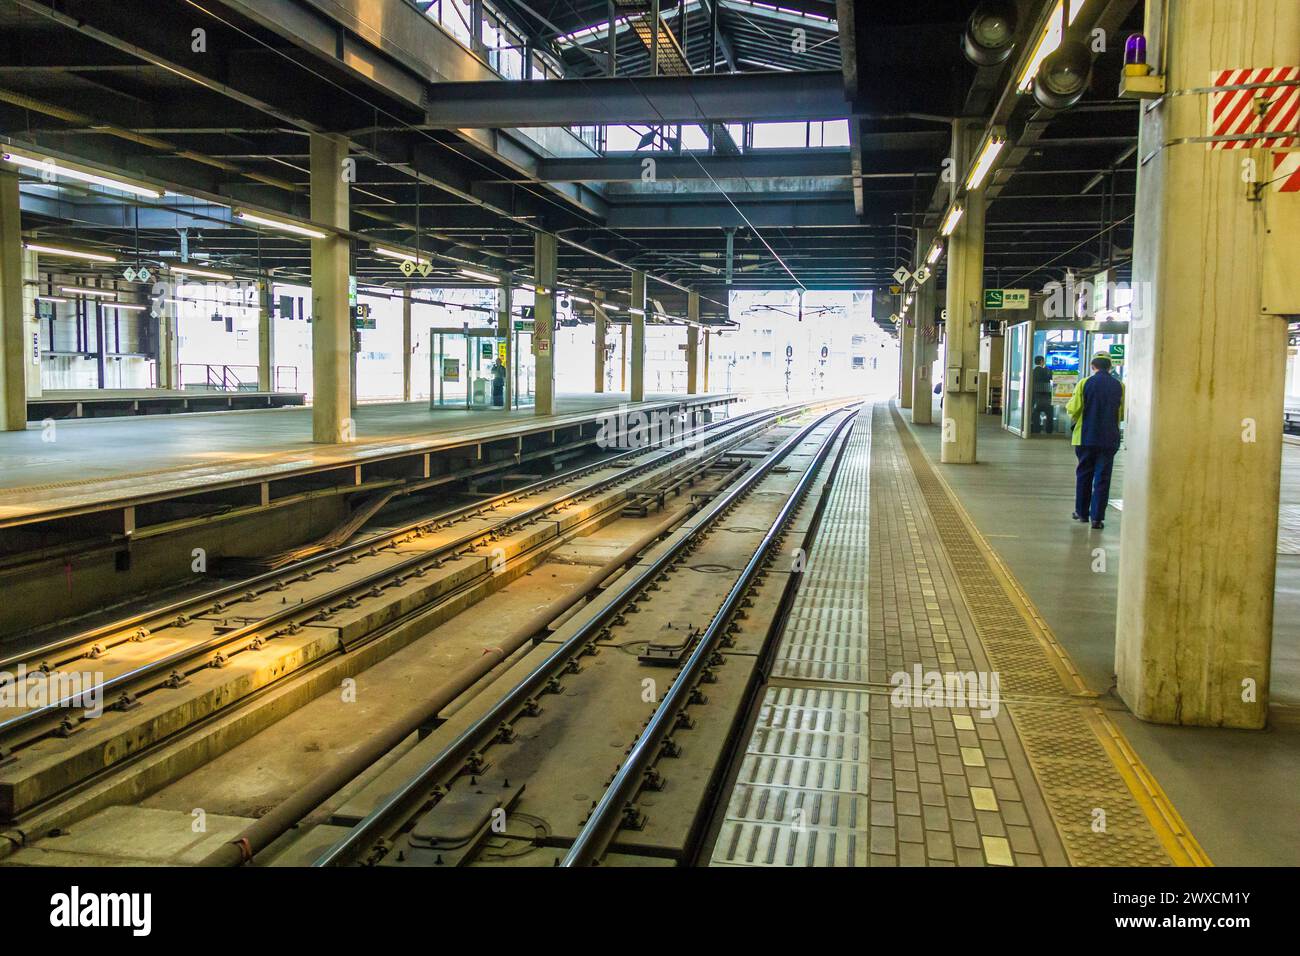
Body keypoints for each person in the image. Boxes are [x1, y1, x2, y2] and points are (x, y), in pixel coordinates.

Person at [1066, 354, 1125, 529]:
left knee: (1084, 474)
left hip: (1085, 436)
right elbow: (1121, 412)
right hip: (1109, 438)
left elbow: (1074, 409)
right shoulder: (1119, 385)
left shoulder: (1084, 383)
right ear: (1110, 367)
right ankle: (1097, 518)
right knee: (1103, 477)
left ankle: (1082, 513)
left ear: (1093, 366)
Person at [1030, 355, 1055, 433]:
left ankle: (1036, 430)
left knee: (1036, 414)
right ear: (1041, 361)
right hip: (1046, 396)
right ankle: (1049, 430)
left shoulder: (1032, 371)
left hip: (1036, 396)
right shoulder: (1046, 371)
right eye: (1044, 360)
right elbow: (1053, 377)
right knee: (1049, 414)